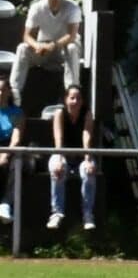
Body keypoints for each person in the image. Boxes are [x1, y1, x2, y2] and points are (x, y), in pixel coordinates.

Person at [12, 0, 84, 101]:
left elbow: (71, 35)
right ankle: (14, 92)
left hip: (64, 49)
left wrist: (54, 45)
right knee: (22, 48)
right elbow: (27, 36)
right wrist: (37, 46)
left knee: (72, 47)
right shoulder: (37, 8)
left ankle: (72, 91)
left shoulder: (72, 8)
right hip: (43, 50)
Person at [46, 83, 97, 231]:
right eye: (72, 98)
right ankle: (56, 213)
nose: (75, 101)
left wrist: (88, 159)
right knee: (56, 169)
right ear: (66, 99)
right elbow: (58, 138)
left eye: (79, 98)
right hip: (61, 153)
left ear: (83, 101)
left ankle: (88, 214)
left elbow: (87, 136)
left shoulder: (87, 114)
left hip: (81, 156)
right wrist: (60, 159)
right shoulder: (59, 113)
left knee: (89, 172)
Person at [0, 74, 20, 225]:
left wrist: (5, 155)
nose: (0, 93)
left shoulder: (17, 113)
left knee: (17, 164)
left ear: (8, 92)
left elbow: (16, 138)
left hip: (9, 147)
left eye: (2, 89)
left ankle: (5, 204)